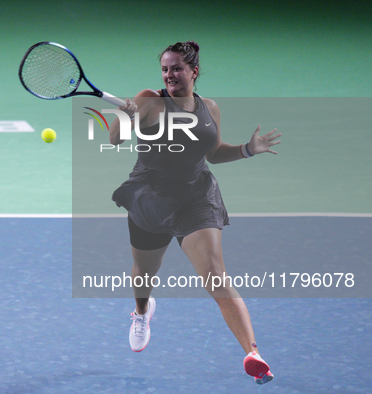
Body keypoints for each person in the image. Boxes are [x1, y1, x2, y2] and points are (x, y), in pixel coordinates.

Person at [109, 41, 281, 385]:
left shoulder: (210, 108)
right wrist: (126, 116)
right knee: (144, 271)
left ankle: (253, 353)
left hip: (195, 199)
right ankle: (142, 313)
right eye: (165, 69)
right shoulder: (150, 98)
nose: (170, 74)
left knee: (216, 275)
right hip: (150, 198)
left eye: (176, 68)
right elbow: (115, 139)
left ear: (194, 72)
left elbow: (214, 153)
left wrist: (249, 149)